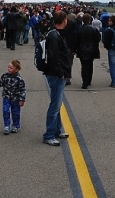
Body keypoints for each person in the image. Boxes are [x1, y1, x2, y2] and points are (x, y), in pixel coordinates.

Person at [42, 11, 71, 146]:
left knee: (57, 104)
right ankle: (49, 134)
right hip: (55, 74)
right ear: (64, 20)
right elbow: (53, 56)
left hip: (57, 73)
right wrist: (60, 73)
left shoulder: (54, 33)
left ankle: (57, 130)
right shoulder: (54, 35)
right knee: (55, 105)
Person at [0, 59, 26, 135]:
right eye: (8, 67)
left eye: (11, 68)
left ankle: (15, 125)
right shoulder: (5, 76)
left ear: (16, 70)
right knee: (5, 111)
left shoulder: (19, 79)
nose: (9, 69)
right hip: (6, 97)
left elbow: (22, 90)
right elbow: (0, 83)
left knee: (15, 112)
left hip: (15, 99)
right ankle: (6, 125)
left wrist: (22, 99)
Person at [73, 13, 101, 89]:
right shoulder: (94, 29)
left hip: (82, 49)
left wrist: (74, 49)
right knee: (90, 65)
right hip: (92, 49)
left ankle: (85, 82)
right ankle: (88, 81)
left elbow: (76, 40)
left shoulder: (79, 29)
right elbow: (98, 39)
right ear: (89, 20)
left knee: (84, 66)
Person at [102, 15, 115, 88]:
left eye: (109, 21)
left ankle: (114, 82)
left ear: (112, 22)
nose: (108, 22)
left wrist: (107, 47)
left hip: (112, 49)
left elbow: (105, 41)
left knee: (112, 65)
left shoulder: (108, 31)